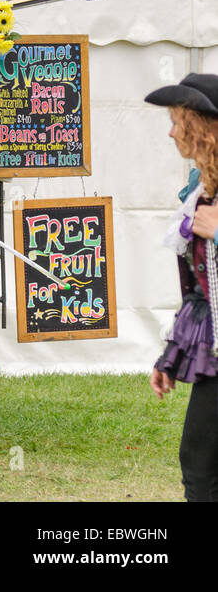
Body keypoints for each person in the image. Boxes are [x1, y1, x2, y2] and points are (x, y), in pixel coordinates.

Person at [145, 72, 218, 500]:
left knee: (201, 468)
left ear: (202, 128)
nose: (171, 132)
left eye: (178, 121)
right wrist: (172, 353)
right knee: (200, 464)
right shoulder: (200, 193)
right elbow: (199, 293)